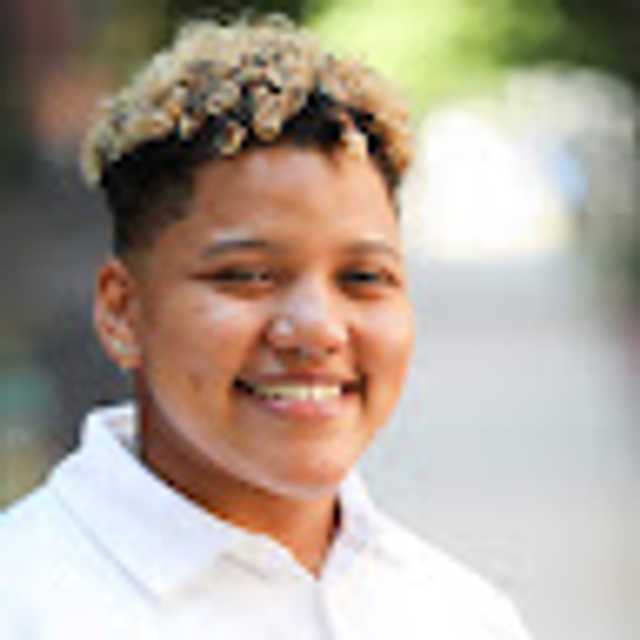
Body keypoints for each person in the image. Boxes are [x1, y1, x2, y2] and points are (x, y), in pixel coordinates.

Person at [0, 15, 532, 639]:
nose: (317, 329)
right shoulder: (26, 601)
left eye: (363, 277)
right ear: (122, 313)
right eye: (247, 276)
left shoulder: (458, 615)